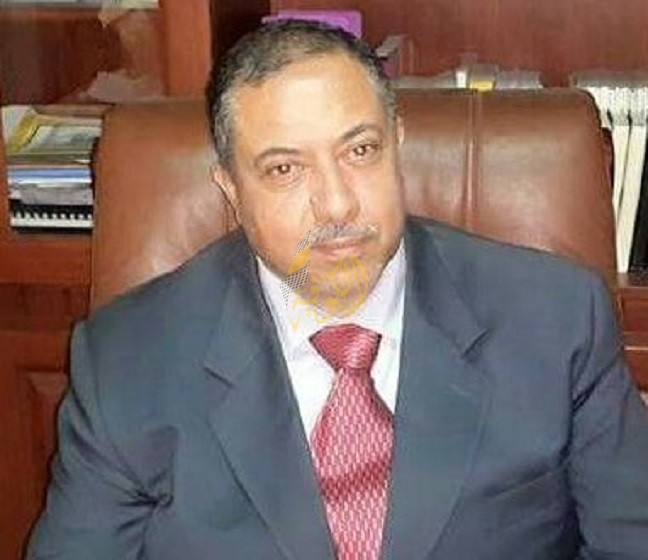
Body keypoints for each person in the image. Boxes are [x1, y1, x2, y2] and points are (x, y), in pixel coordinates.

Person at [28, 21, 648, 560]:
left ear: (396, 145)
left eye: (360, 150)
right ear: (230, 189)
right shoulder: (125, 365)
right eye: (284, 169)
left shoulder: (556, 320)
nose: (336, 204)